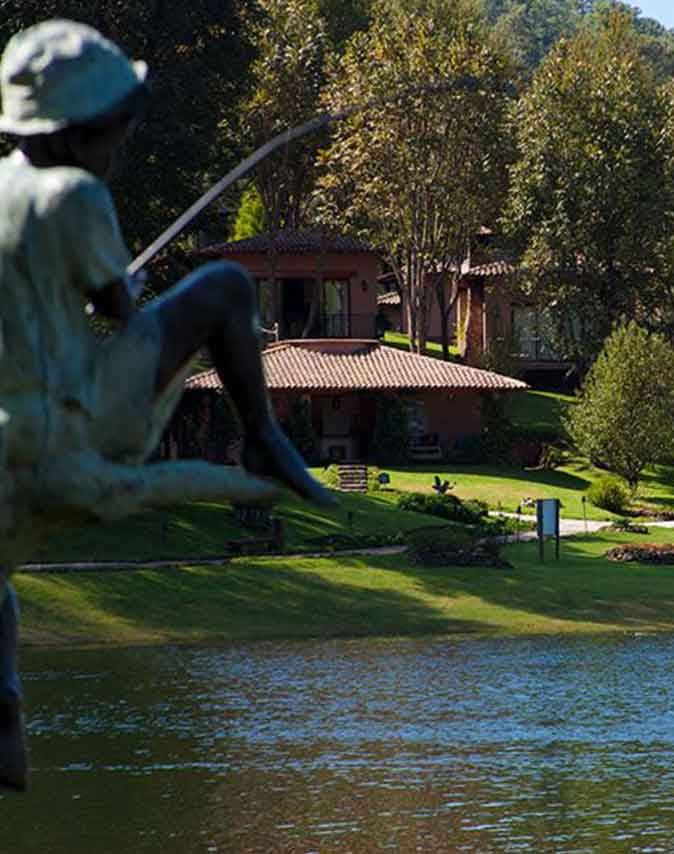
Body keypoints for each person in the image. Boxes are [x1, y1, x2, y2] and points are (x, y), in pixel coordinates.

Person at [0, 20, 335, 791]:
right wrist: (133, 290)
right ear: (78, 129)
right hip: (71, 423)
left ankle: (6, 699)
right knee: (223, 288)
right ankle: (261, 438)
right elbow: (118, 301)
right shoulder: (73, 192)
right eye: (116, 128)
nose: (119, 147)